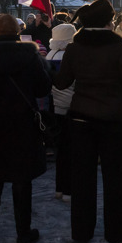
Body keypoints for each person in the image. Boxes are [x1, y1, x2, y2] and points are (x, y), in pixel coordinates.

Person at [53, 0, 122, 243]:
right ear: (109, 22)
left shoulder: (74, 48)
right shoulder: (118, 48)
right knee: (115, 178)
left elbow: (62, 82)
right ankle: (116, 231)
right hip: (112, 119)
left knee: (82, 178)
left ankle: (81, 231)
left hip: (80, 119)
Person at [0, 14, 52, 243]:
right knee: (22, 180)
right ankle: (23, 233)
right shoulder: (29, 56)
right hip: (22, 123)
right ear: (17, 32)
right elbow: (42, 89)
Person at [45, 23, 77, 202]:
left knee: (61, 153)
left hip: (55, 107)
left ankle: (59, 187)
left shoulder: (51, 55)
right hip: (69, 108)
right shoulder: (68, 57)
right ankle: (68, 190)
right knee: (70, 152)